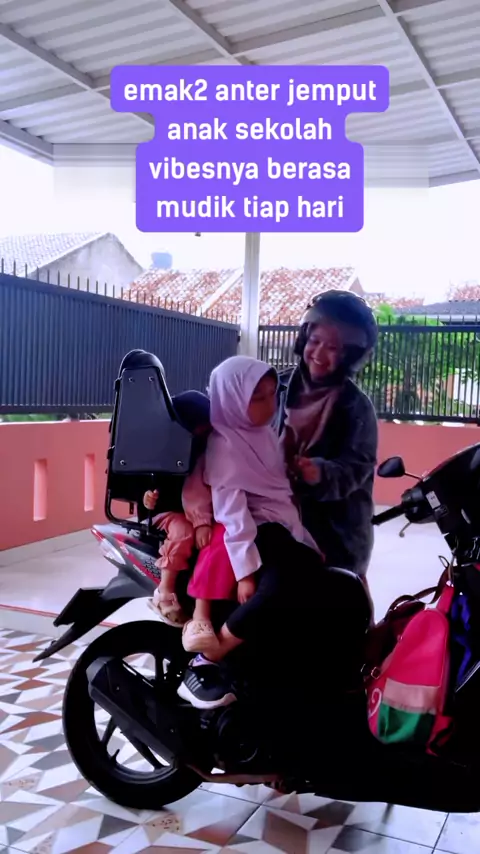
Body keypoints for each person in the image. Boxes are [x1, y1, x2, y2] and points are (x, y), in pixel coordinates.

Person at [177, 355, 328, 711]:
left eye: (272, 395)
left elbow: (279, 493)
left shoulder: (261, 436)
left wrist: (306, 538)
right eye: (257, 397)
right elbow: (232, 514)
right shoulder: (226, 446)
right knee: (278, 586)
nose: (269, 405)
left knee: (315, 575)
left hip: (277, 524)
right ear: (232, 400)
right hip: (254, 528)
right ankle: (213, 653)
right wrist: (245, 573)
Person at [278, 290, 378, 581]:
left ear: (350, 355)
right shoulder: (274, 387)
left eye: (333, 348)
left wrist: (318, 472)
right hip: (275, 526)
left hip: (335, 536)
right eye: (315, 341)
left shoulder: (356, 407)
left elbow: (357, 468)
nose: (319, 354)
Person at [143, 391, 214, 626]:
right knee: (184, 531)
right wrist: (147, 497)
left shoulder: (206, 447)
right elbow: (143, 483)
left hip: (197, 512)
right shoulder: (163, 448)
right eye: (200, 428)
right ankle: (164, 591)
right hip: (167, 512)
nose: (203, 432)